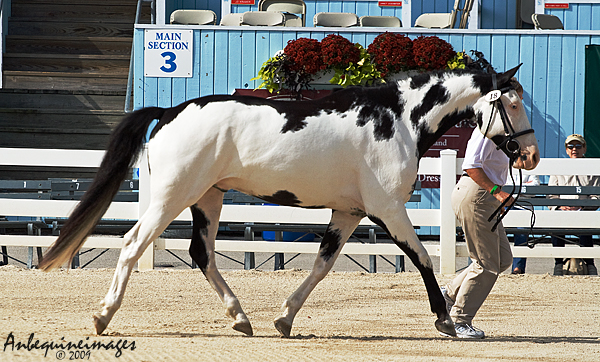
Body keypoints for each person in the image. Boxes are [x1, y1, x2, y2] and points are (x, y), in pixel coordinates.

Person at [440, 114, 515, 339]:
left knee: (502, 259)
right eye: (514, 105)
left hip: (483, 197)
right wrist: (497, 193)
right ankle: (459, 321)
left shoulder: (505, 134)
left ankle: (449, 293)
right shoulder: (487, 132)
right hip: (477, 195)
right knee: (486, 263)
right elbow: (471, 166)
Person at [549, 134, 599, 276]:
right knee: (555, 224)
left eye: (578, 146)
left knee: (585, 224)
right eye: (570, 146)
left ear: (584, 148)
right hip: (563, 211)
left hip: (583, 211)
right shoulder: (559, 167)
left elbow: (596, 196)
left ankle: (590, 265)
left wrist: (582, 207)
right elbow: (551, 195)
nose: (574, 149)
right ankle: (558, 265)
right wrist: (560, 206)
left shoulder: (592, 167)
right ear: (566, 150)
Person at [508, 174, 540, 274]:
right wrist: (524, 186)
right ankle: (494, 266)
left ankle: (518, 268)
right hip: (504, 205)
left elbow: (534, 187)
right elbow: (502, 186)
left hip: (523, 206)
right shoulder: (503, 162)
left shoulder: (529, 165)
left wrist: (513, 188)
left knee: (522, 233)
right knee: (496, 233)